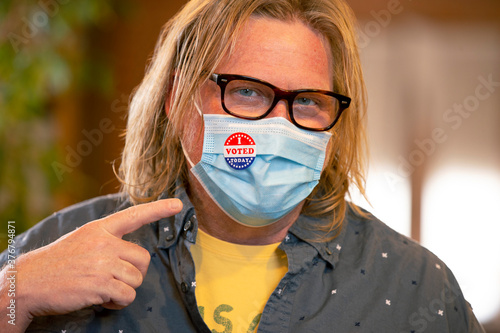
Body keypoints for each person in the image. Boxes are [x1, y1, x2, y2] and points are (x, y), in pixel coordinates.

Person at [0, 0, 485, 332]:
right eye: (247, 92)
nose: (279, 127)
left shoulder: (415, 289)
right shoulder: (52, 251)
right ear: (176, 99)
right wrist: (9, 298)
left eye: (310, 101)